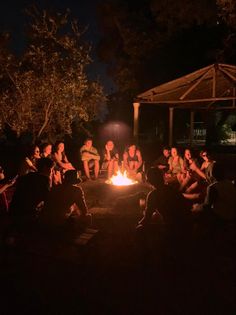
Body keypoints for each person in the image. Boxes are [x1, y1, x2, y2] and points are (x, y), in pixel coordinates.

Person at [138, 167, 192, 238]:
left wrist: (138, 223)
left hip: (173, 228)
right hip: (187, 223)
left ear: (149, 180)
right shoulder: (171, 189)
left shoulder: (153, 195)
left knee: (139, 229)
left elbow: (146, 218)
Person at [9, 158, 55, 230]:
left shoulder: (28, 175)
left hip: (13, 210)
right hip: (26, 213)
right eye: (51, 169)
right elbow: (47, 198)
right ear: (45, 168)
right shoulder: (43, 180)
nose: (52, 172)